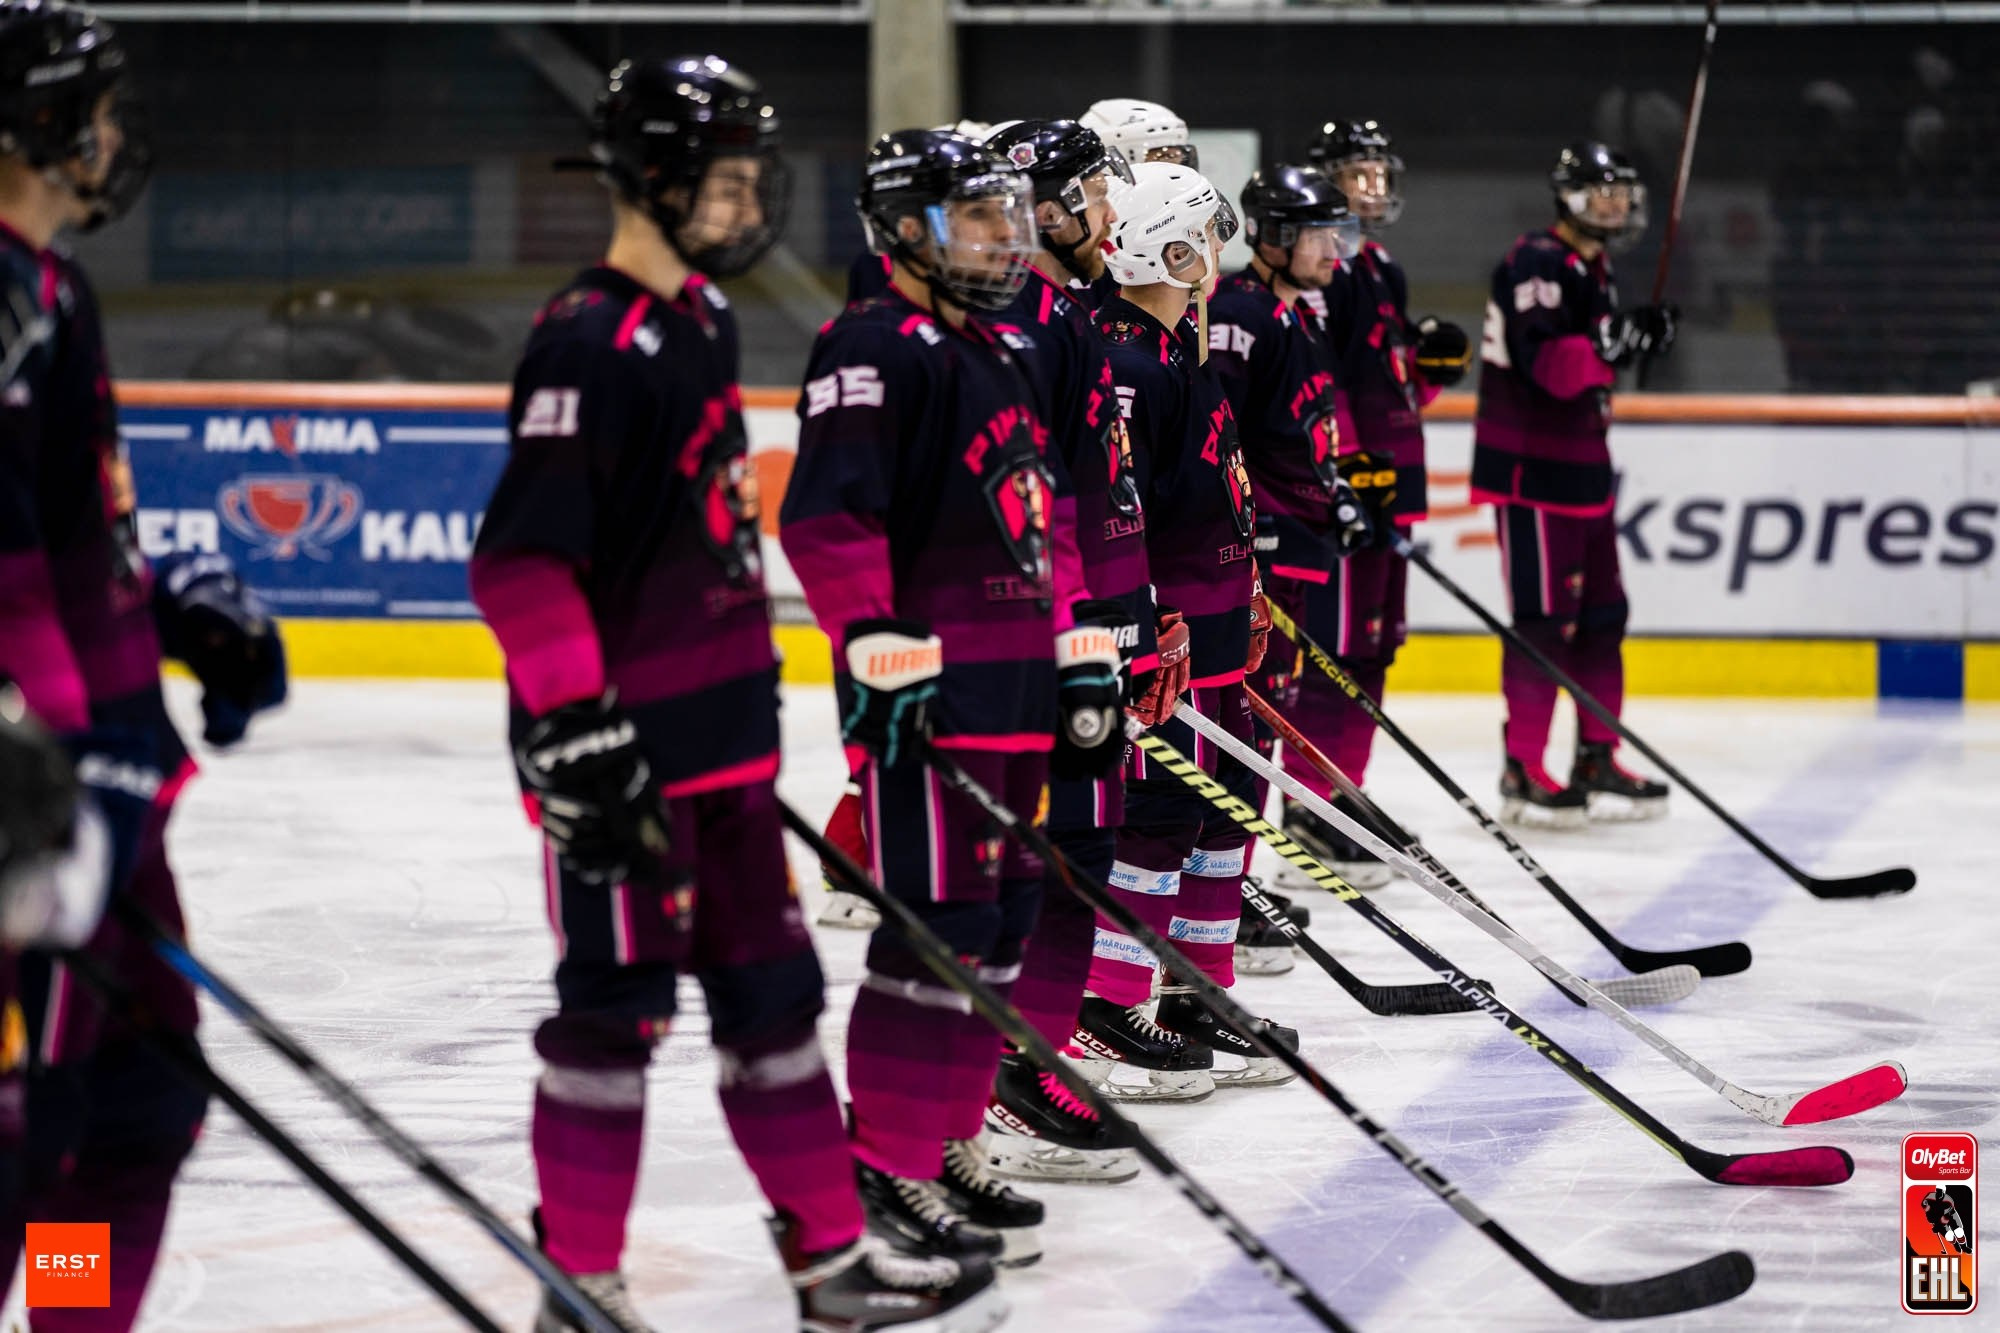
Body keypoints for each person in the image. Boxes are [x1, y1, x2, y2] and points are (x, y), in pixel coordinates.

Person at [468, 60, 999, 1333]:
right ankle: (580, 1283)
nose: (746, 200)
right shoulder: (586, 339)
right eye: (726, 178)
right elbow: (521, 561)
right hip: (623, 768)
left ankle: (828, 1262)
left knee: (774, 1008)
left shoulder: (700, 318)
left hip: (724, 760)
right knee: (611, 1023)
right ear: (652, 176)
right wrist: (575, 726)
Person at [781, 128, 1123, 1269]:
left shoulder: (1000, 345)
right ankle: (885, 1157)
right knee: (933, 937)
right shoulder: (870, 346)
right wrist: (874, 639)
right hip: (934, 696)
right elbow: (828, 520)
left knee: (1003, 929)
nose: (1004, 235)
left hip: (1021, 682)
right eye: (976, 217)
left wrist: (1077, 637)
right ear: (903, 229)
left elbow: (1050, 514)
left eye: (1004, 214)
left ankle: (950, 1137)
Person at [0, 4, 286, 1326]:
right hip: (39, 808)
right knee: (32, 1126)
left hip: (98, 790)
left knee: (134, 1108)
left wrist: (167, 607)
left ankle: (71, 1317)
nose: (116, 133)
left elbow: (60, 542)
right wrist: (73, 762)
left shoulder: (49, 285)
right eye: (93, 103)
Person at [1073, 160, 1299, 1097]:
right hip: (1161, 637)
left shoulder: (1177, 347)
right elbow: (1121, 514)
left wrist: (1243, 586)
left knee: (1226, 797)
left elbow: (1207, 494)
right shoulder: (1126, 362)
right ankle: (1114, 1000)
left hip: (1210, 626)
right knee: (1157, 817)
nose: (1218, 247)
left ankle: (1198, 987)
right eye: (1204, 233)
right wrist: (1144, 624)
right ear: (1169, 247)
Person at [972, 118, 1145, 1185]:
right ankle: (996, 1070)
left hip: (1085, 623)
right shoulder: (987, 324)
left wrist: (1123, 615)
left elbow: (1094, 491)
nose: (1108, 213)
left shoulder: (1072, 321)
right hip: (1002, 640)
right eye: (1090, 192)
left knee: (1085, 855)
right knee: (1004, 873)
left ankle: (1035, 1054)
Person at [1282, 118, 1469, 887]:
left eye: (1378, 174)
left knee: (1374, 650)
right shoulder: (1325, 277)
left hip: (1395, 484)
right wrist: (1346, 468)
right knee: (1333, 659)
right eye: (1356, 175)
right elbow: (1320, 382)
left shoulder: (1380, 266)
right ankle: (1310, 802)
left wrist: (1429, 375)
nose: (1372, 189)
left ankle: (1343, 793)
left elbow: (1386, 384)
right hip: (1349, 492)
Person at [1470, 141, 1675, 827]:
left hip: (1585, 468)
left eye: (1623, 190)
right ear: (1570, 196)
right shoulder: (1538, 260)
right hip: (1533, 473)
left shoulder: (1595, 265)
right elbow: (1550, 367)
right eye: (1601, 190)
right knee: (1542, 623)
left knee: (1602, 618)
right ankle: (1523, 765)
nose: (1615, 203)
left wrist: (1630, 338)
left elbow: (1596, 357)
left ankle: (1597, 752)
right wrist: (1616, 340)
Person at [1207, 164, 1377, 931]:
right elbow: (1220, 439)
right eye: (1318, 233)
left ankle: (1235, 879)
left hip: (1295, 550)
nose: (1334, 248)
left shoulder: (1297, 312)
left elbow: (1296, 433)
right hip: (1262, 559)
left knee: (1272, 714)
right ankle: (1225, 885)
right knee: (1248, 726)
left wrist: (1332, 490)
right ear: (1273, 237)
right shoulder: (1240, 315)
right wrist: (1262, 525)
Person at [1076, 99, 1199, 309]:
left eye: (1178, 158)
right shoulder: (1092, 255)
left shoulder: (1166, 244)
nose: (1177, 170)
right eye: (1165, 156)